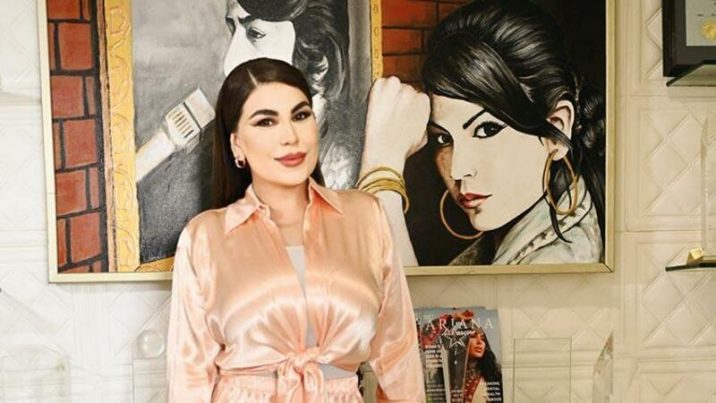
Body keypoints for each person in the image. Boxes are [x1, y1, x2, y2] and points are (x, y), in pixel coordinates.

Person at [166, 58, 424, 402]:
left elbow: (399, 352)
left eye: (300, 115)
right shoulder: (205, 237)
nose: (290, 137)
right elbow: (189, 375)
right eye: (266, 121)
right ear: (237, 144)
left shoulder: (366, 217)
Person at [359, 0, 605, 267]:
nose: (458, 170)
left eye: (487, 130)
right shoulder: (517, 234)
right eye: (444, 138)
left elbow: (396, 296)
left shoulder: (558, 261)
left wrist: (381, 174)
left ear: (556, 129)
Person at [463, 328, 502, 403]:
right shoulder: (450, 374)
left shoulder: (492, 375)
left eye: (482, 338)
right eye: (473, 336)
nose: (479, 342)